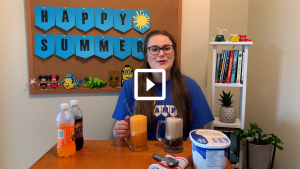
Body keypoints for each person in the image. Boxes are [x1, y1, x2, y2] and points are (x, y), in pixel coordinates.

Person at [112, 30, 214, 141]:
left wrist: (181, 157)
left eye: (167, 48)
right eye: (154, 49)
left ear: (174, 53)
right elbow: (122, 128)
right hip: (140, 152)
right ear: (146, 56)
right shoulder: (131, 85)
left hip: (177, 155)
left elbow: (198, 131)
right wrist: (119, 131)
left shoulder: (191, 86)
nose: (161, 54)